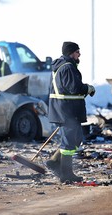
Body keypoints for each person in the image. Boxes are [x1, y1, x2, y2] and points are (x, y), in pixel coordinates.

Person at [46, 41, 95, 183]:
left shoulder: (63, 66)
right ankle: (66, 174)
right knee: (68, 143)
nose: (79, 54)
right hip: (66, 111)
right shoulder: (67, 68)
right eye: (77, 51)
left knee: (76, 138)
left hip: (66, 110)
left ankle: (54, 162)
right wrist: (88, 88)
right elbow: (74, 88)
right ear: (70, 53)